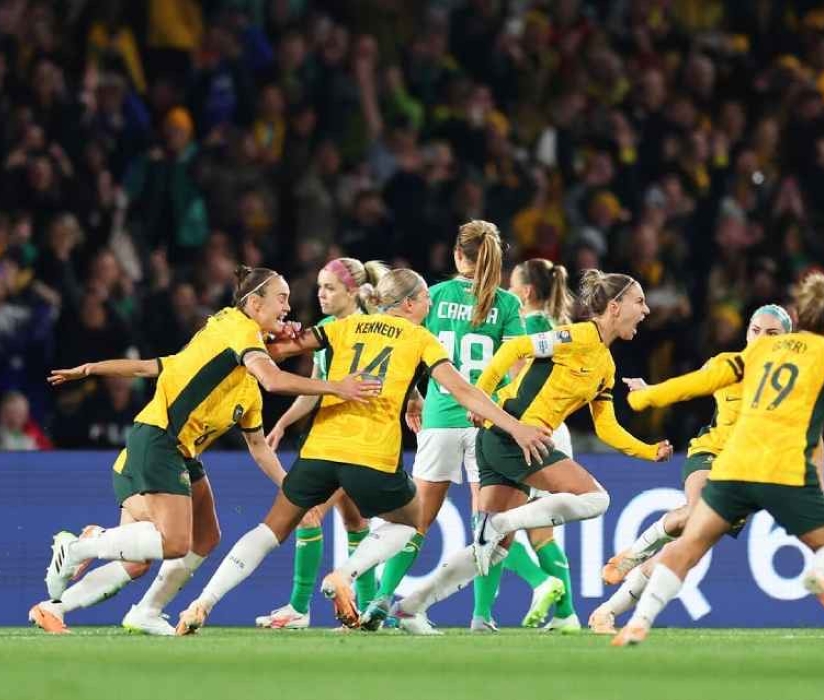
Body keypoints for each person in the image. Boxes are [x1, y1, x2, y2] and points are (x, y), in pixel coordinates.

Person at [175, 269, 554, 634]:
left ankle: (203, 602)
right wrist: (514, 426)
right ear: (408, 304)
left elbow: (274, 352)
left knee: (270, 529)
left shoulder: (344, 326)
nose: (430, 305)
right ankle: (345, 575)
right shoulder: (420, 338)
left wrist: (277, 331)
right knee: (412, 521)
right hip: (371, 456)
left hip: (319, 450)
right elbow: (464, 391)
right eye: (425, 298)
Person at [609, 268, 824, 646]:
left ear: (798, 316)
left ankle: (641, 620)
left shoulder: (759, 350)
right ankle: (818, 574)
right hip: (785, 471)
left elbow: (699, 382)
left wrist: (646, 397)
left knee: (687, 547)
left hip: (735, 467)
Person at [33, 267, 379, 636]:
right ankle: (82, 547)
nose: (288, 308)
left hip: (181, 454)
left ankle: (88, 608)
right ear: (254, 303)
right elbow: (274, 379)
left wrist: (294, 492)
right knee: (174, 542)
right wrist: (337, 387)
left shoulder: (241, 380)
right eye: (282, 298)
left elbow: (258, 446)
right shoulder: (236, 328)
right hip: (159, 441)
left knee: (195, 540)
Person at [390, 269, 673, 635]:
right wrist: (481, 397)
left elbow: (606, 427)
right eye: (639, 302)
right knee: (596, 499)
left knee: (493, 549)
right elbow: (514, 348)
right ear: (615, 307)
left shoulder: (606, 366)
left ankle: (410, 607)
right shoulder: (576, 336)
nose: (646, 310)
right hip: (513, 436)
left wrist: (648, 452)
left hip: (510, 443)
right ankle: (499, 525)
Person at [359, 220, 532, 632]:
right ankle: (481, 615)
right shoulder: (507, 304)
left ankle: (383, 598)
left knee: (415, 520)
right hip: (487, 422)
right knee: (488, 524)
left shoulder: (431, 297)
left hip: (438, 421)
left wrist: (412, 397)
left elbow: (402, 351)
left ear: (457, 255)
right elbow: (520, 367)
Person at [589, 304, 793, 634]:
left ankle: (606, 612)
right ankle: (633, 555)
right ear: (747, 334)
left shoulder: (795, 383)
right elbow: (688, 386)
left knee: (686, 550)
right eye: (756, 331)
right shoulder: (727, 365)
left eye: (772, 333)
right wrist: (650, 391)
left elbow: (813, 436)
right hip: (711, 453)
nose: (761, 339)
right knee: (699, 514)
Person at [255, 257, 391, 629]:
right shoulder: (325, 331)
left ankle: (299, 608)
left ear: (353, 292)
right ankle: (368, 610)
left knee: (309, 512)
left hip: (354, 438)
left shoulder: (371, 330)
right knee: (355, 520)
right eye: (319, 287)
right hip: (328, 434)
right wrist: (283, 423)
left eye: (330, 288)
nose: (321, 294)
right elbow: (316, 387)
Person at [472, 258, 580, 632]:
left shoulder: (529, 326)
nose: (506, 290)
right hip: (552, 428)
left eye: (511, 284)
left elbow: (517, 382)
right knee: (540, 532)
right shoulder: (556, 327)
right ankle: (566, 614)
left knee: (494, 523)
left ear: (526, 291)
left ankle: (517, 596)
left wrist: (488, 407)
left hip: (527, 431)